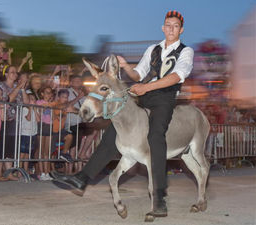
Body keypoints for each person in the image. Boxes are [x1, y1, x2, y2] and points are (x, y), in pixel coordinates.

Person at [51, 10, 194, 217]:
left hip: (164, 99)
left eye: (175, 26)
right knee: (114, 131)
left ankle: (160, 196)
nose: (171, 29)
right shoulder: (152, 49)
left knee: (156, 135)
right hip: (143, 96)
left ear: (181, 30)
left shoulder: (185, 51)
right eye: (167, 25)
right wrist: (127, 66)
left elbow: (176, 76)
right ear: (163, 27)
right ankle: (81, 178)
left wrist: (147, 88)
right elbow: (139, 74)